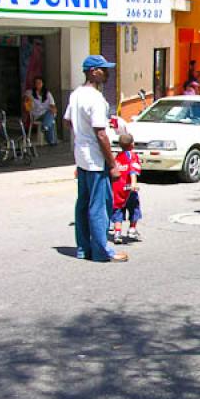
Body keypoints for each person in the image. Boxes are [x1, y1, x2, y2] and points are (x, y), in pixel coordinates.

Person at [63, 55, 128, 262]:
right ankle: (101, 251)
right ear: (93, 71)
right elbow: (101, 134)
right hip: (96, 160)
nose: (107, 73)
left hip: (82, 156)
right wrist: (112, 164)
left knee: (83, 204)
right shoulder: (96, 99)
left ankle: (84, 248)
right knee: (99, 206)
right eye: (103, 69)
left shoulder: (76, 95)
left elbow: (68, 122)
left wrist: (82, 137)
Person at [111, 134, 142, 244]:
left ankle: (117, 233)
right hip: (129, 189)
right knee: (134, 208)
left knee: (118, 209)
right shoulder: (133, 156)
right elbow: (133, 170)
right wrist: (133, 183)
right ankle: (132, 229)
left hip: (117, 189)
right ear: (132, 144)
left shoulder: (117, 157)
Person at [24, 76, 58, 146]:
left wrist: (53, 109)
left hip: (47, 114)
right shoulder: (29, 93)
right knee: (50, 120)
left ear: (43, 84)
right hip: (36, 115)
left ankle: (46, 129)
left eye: (39, 83)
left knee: (50, 114)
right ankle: (49, 137)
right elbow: (27, 105)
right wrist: (28, 101)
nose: (38, 85)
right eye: (36, 83)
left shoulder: (47, 94)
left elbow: (53, 106)